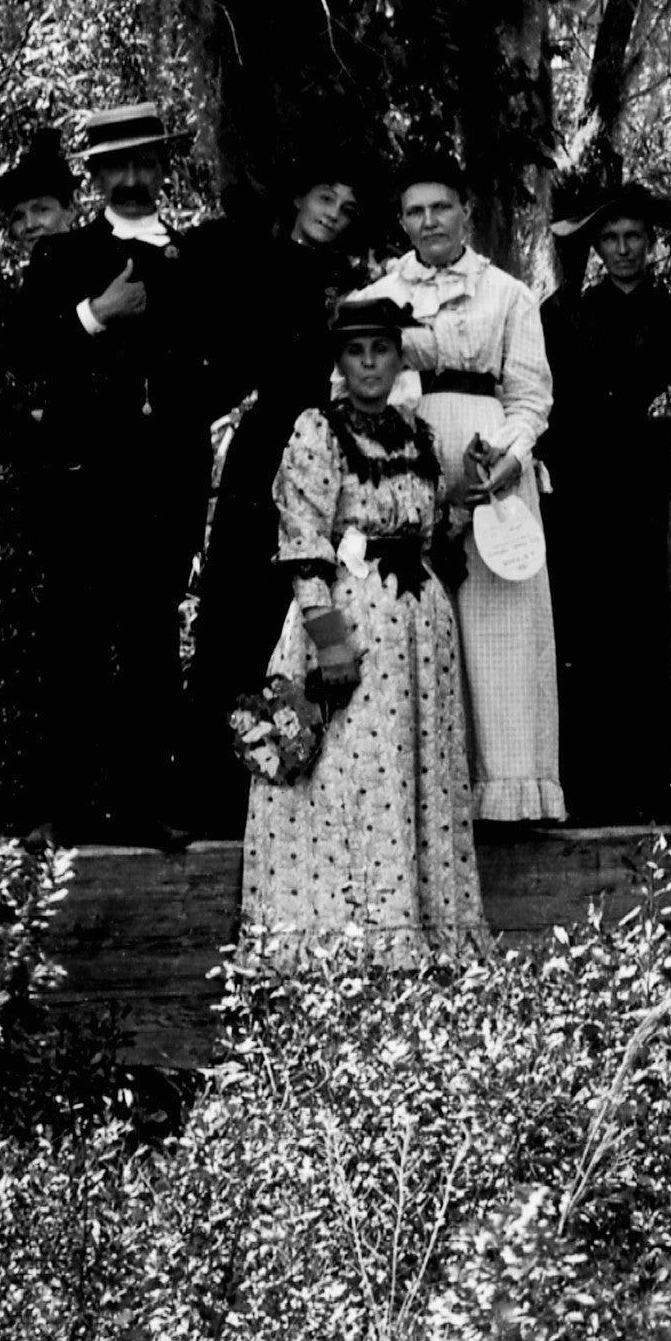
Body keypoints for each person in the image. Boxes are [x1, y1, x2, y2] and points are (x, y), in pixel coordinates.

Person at [0, 99, 210, 842]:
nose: (133, 178)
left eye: (146, 162)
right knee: (71, 640)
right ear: (97, 174)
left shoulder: (194, 256)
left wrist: (191, 408)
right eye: (118, 166)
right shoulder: (61, 257)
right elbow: (21, 359)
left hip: (166, 481)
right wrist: (94, 314)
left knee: (149, 643)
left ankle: (146, 805)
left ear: (163, 167)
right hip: (81, 482)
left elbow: (225, 358)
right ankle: (60, 809)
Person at [232, 288, 487, 961]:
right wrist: (328, 639)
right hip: (353, 621)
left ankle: (420, 937)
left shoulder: (417, 433)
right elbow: (303, 536)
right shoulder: (318, 430)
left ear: (401, 357)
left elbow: (432, 533)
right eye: (356, 351)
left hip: (419, 634)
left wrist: (466, 495)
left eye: (382, 349)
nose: (370, 363)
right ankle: (347, 942)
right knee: (351, 776)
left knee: (412, 773)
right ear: (340, 360)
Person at [172, 166, 370, 826]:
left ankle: (301, 793)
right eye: (324, 194)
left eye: (346, 205)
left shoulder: (356, 283)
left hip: (329, 452)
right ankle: (217, 790)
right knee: (237, 611)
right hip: (266, 450)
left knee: (309, 610)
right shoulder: (253, 261)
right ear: (297, 196)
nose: (333, 211)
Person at [368, 158, 561, 821]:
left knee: (499, 625)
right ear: (402, 220)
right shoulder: (376, 296)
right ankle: (423, 801)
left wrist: (508, 456)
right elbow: (357, 392)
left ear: (465, 212)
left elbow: (531, 395)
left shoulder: (508, 293)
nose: (430, 222)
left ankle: (507, 798)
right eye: (416, 211)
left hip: (491, 469)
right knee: (415, 620)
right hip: (408, 471)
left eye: (441, 207)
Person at [543, 176, 671, 822]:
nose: (624, 248)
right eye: (612, 237)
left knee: (646, 639)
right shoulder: (568, 312)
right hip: (580, 492)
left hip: (644, 489)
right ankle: (586, 796)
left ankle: (650, 796)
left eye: (635, 236)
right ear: (596, 244)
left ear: (651, 242)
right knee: (585, 639)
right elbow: (542, 400)